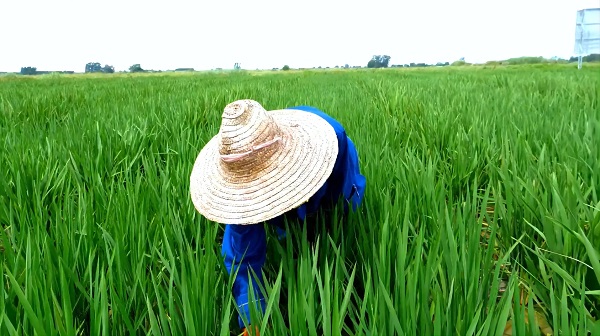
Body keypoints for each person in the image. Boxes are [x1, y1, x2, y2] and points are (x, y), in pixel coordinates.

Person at [189, 99, 366, 335]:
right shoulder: (240, 173)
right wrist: (252, 319)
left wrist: (330, 246)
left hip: (329, 164)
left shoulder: (332, 142)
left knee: (334, 221)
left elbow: (342, 204)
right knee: (279, 230)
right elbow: (242, 258)